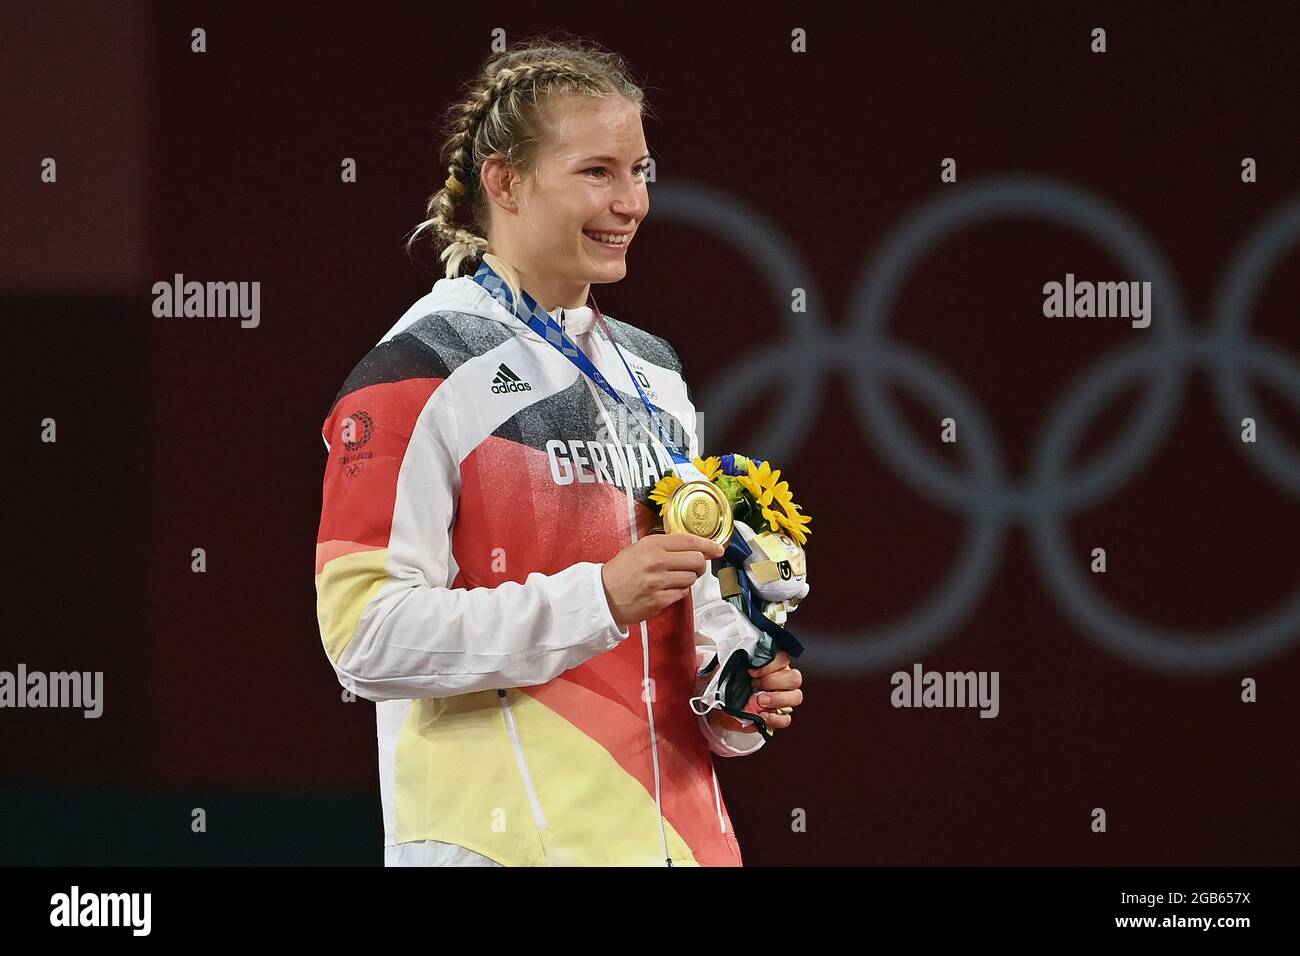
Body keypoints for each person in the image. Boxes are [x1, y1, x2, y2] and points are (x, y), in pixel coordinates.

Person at [314, 35, 804, 867]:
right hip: (502, 846)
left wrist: (733, 697)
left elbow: (678, 635)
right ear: (504, 181)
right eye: (596, 172)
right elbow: (363, 636)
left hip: (678, 846)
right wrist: (600, 599)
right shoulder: (420, 369)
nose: (632, 203)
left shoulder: (653, 373)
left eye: (639, 171)